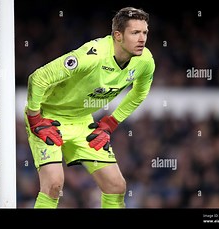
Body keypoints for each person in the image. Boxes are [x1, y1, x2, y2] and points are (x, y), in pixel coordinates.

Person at [24, 6, 155, 208]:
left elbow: (139, 93)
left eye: (145, 32)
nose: (142, 39)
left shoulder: (145, 61)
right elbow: (38, 78)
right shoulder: (92, 56)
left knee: (116, 186)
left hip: (83, 120)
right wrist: (35, 118)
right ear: (118, 36)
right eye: (135, 33)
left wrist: (111, 122)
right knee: (54, 184)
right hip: (48, 117)